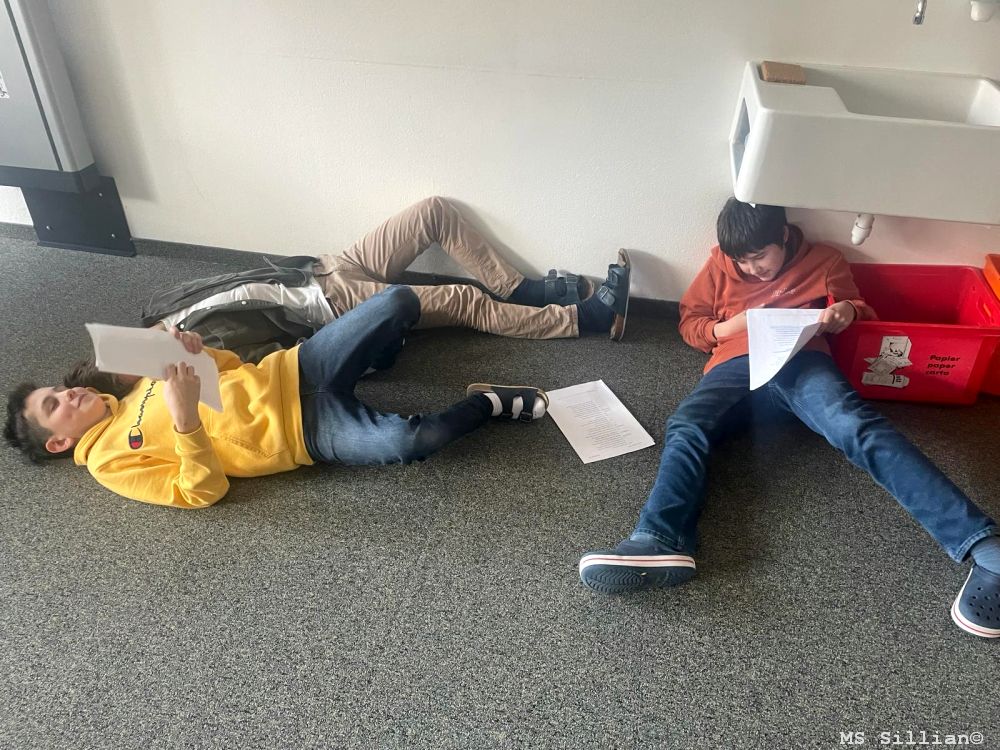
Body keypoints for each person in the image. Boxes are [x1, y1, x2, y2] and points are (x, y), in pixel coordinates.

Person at [577, 198, 1000, 640]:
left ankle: (983, 545)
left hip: (802, 360)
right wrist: (732, 327)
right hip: (736, 363)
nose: (752, 269)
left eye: (759, 256)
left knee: (854, 425)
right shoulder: (721, 264)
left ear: (782, 235)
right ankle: (659, 540)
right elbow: (691, 324)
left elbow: (859, 307)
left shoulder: (825, 260)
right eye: (742, 261)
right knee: (686, 425)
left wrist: (847, 311)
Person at [4, 287, 549, 509]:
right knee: (415, 441)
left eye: (59, 389)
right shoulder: (108, 463)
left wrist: (199, 350)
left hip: (292, 369)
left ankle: (377, 357)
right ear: (59, 443)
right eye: (55, 405)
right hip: (303, 433)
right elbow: (200, 492)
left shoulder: (134, 382)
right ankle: (488, 403)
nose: (70, 393)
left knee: (398, 302)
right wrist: (186, 419)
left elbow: (230, 369)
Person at [143, 197, 631, 350]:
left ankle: (520, 288)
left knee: (432, 212)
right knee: (464, 300)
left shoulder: (164, 309)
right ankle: (585, 319)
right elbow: (273, 362)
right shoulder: (202, 355)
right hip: (334, 308)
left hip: (329, 267)